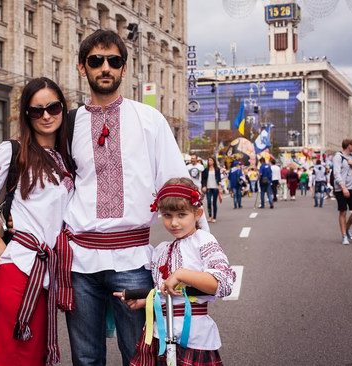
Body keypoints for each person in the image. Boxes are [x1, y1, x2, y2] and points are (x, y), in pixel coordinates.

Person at [59, 30, 209, 366]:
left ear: (124, 69)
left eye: (114, 61)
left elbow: (178, 185)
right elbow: (54, 189)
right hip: (80, 263)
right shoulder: (68, 125)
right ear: (83, 67)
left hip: (133, 263)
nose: (105, 67)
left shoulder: (149, 119)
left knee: (141, 357)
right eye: (96, 61)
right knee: (85, 358)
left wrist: (203, 251)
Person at [0, 77, 75, 365]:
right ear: (26, 115)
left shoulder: (66, 157)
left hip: (53, 274)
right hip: (20, 269)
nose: (46, 115)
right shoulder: (12, 151)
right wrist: (0, 248)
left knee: (36, 356)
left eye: (53, 107)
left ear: (62, 109)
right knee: (18, 357)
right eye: (36, 110)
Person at [114, 177, 235, 366]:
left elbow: (223, 284)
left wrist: (181, 274)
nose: (174, 223)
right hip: (160, 335)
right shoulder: (161, 250)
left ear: (197, 213)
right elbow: (164, 291)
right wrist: (146, 301)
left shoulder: (204, 241)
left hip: (194, 336)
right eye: (168, 215)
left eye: (181, 214)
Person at [332, 139, 352, 245]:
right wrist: (343, 187)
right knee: (343, 212)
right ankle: (344, 236)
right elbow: (336, 173)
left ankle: (348, 226)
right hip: (341, 189)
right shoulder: (338, 157)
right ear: (349, 146)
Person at [201, 157, 221, 222]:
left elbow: (219, 179)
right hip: (208, 188)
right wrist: (203, 186)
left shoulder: (217, 169)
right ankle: (210, 216)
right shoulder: (206, 170)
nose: (209, 161)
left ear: (213, 161)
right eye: (208, 160)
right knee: (209, 202)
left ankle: (214, 217)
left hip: (215, 188)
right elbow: (203, 179)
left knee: (214, 203)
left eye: (211, 160)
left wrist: (219, 187)